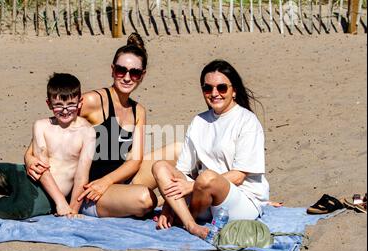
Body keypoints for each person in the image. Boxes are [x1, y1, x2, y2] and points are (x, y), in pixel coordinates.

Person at [24, 33, 182, 218]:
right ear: (112, 70)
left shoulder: (138, 111)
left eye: (135, 72)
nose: (127, 77)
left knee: (179, 149)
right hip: (89, 188)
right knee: (146, 199)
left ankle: (176, 205)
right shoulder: (93, 101)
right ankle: (137, 201)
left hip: (116, 181)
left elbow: (134, 161)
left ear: (142, 75)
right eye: (121, 70)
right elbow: (52, 126)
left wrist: (107, 182)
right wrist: (28, 157)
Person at [0, 73, 96, 219]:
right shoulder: (41, 126)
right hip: (31, 178)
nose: (65, 110)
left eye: (71, 104)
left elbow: (81, 176)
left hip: (46, 196)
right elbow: (41, 167)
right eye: (58, 105)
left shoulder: (87, 133)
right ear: (49, 104)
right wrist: (61, 203)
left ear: (80, 102)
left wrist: (71, 210)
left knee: (5, 210)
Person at [151, 59, 270, 240]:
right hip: (203, 198)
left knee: (206, 177)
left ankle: (185, 216)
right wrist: (168, 206)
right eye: (208, 88)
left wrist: (193, 185)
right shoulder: (199, 121)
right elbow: (182, 170)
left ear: (234, 90)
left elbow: (239, 176)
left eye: (221, 88)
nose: (215, 93)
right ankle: (191, 224)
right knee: (160, 167)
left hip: (240, 200)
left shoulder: (247, 121)